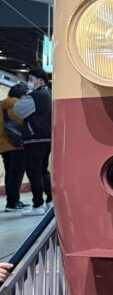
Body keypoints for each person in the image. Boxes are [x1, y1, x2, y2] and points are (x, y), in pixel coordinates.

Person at [13, 68, 52, 216]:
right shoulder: (49, 94)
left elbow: (18, 110)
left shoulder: (36, 96)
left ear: (40, 81)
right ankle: (50, 200)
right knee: (43, 171)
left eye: (31, 79)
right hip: (46, 138)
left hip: (35, 138)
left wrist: (26, 97)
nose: (29, 82)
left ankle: (38, 204)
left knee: (34, 172)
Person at [0, 82, 27, 211]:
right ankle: (13, 202)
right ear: (21, 95)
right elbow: (24, 124)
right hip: (17, 145)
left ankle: (10, 201)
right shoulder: (18, 106)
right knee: (16, 175)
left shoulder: (2, 107)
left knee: (9, 174)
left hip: (4, 146)